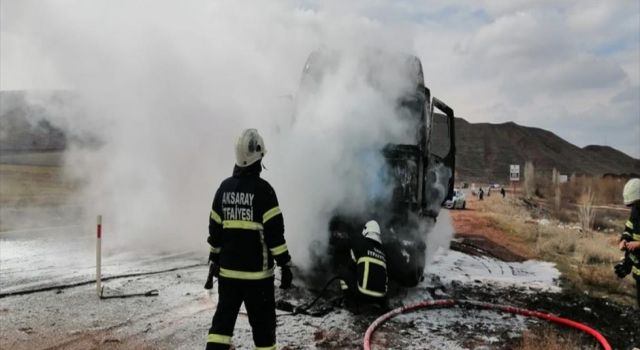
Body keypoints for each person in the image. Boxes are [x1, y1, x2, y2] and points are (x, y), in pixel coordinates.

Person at [206, 129, 293, 350]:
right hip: (258, 278)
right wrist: (285, 264)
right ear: (258, 157)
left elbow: (215, 230)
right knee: (263, 333)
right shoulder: (264, 191)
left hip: (229, 275)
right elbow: (275, 235)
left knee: (221, 327)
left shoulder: (224, 189)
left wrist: (214, 258)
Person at [338, 220, 388, 310]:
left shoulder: (360, 244)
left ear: (366, 230)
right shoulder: (382, 251)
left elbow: (351, 267)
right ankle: (383, 305)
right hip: (380, 296)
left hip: (363, 294)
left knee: (343, 272)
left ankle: (351, 304)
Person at [616, 178, 640, 307]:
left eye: (635, 203)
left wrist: (639, 244)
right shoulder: (636, 210)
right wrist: (624, 240)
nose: (634, 207)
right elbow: (629, 228)